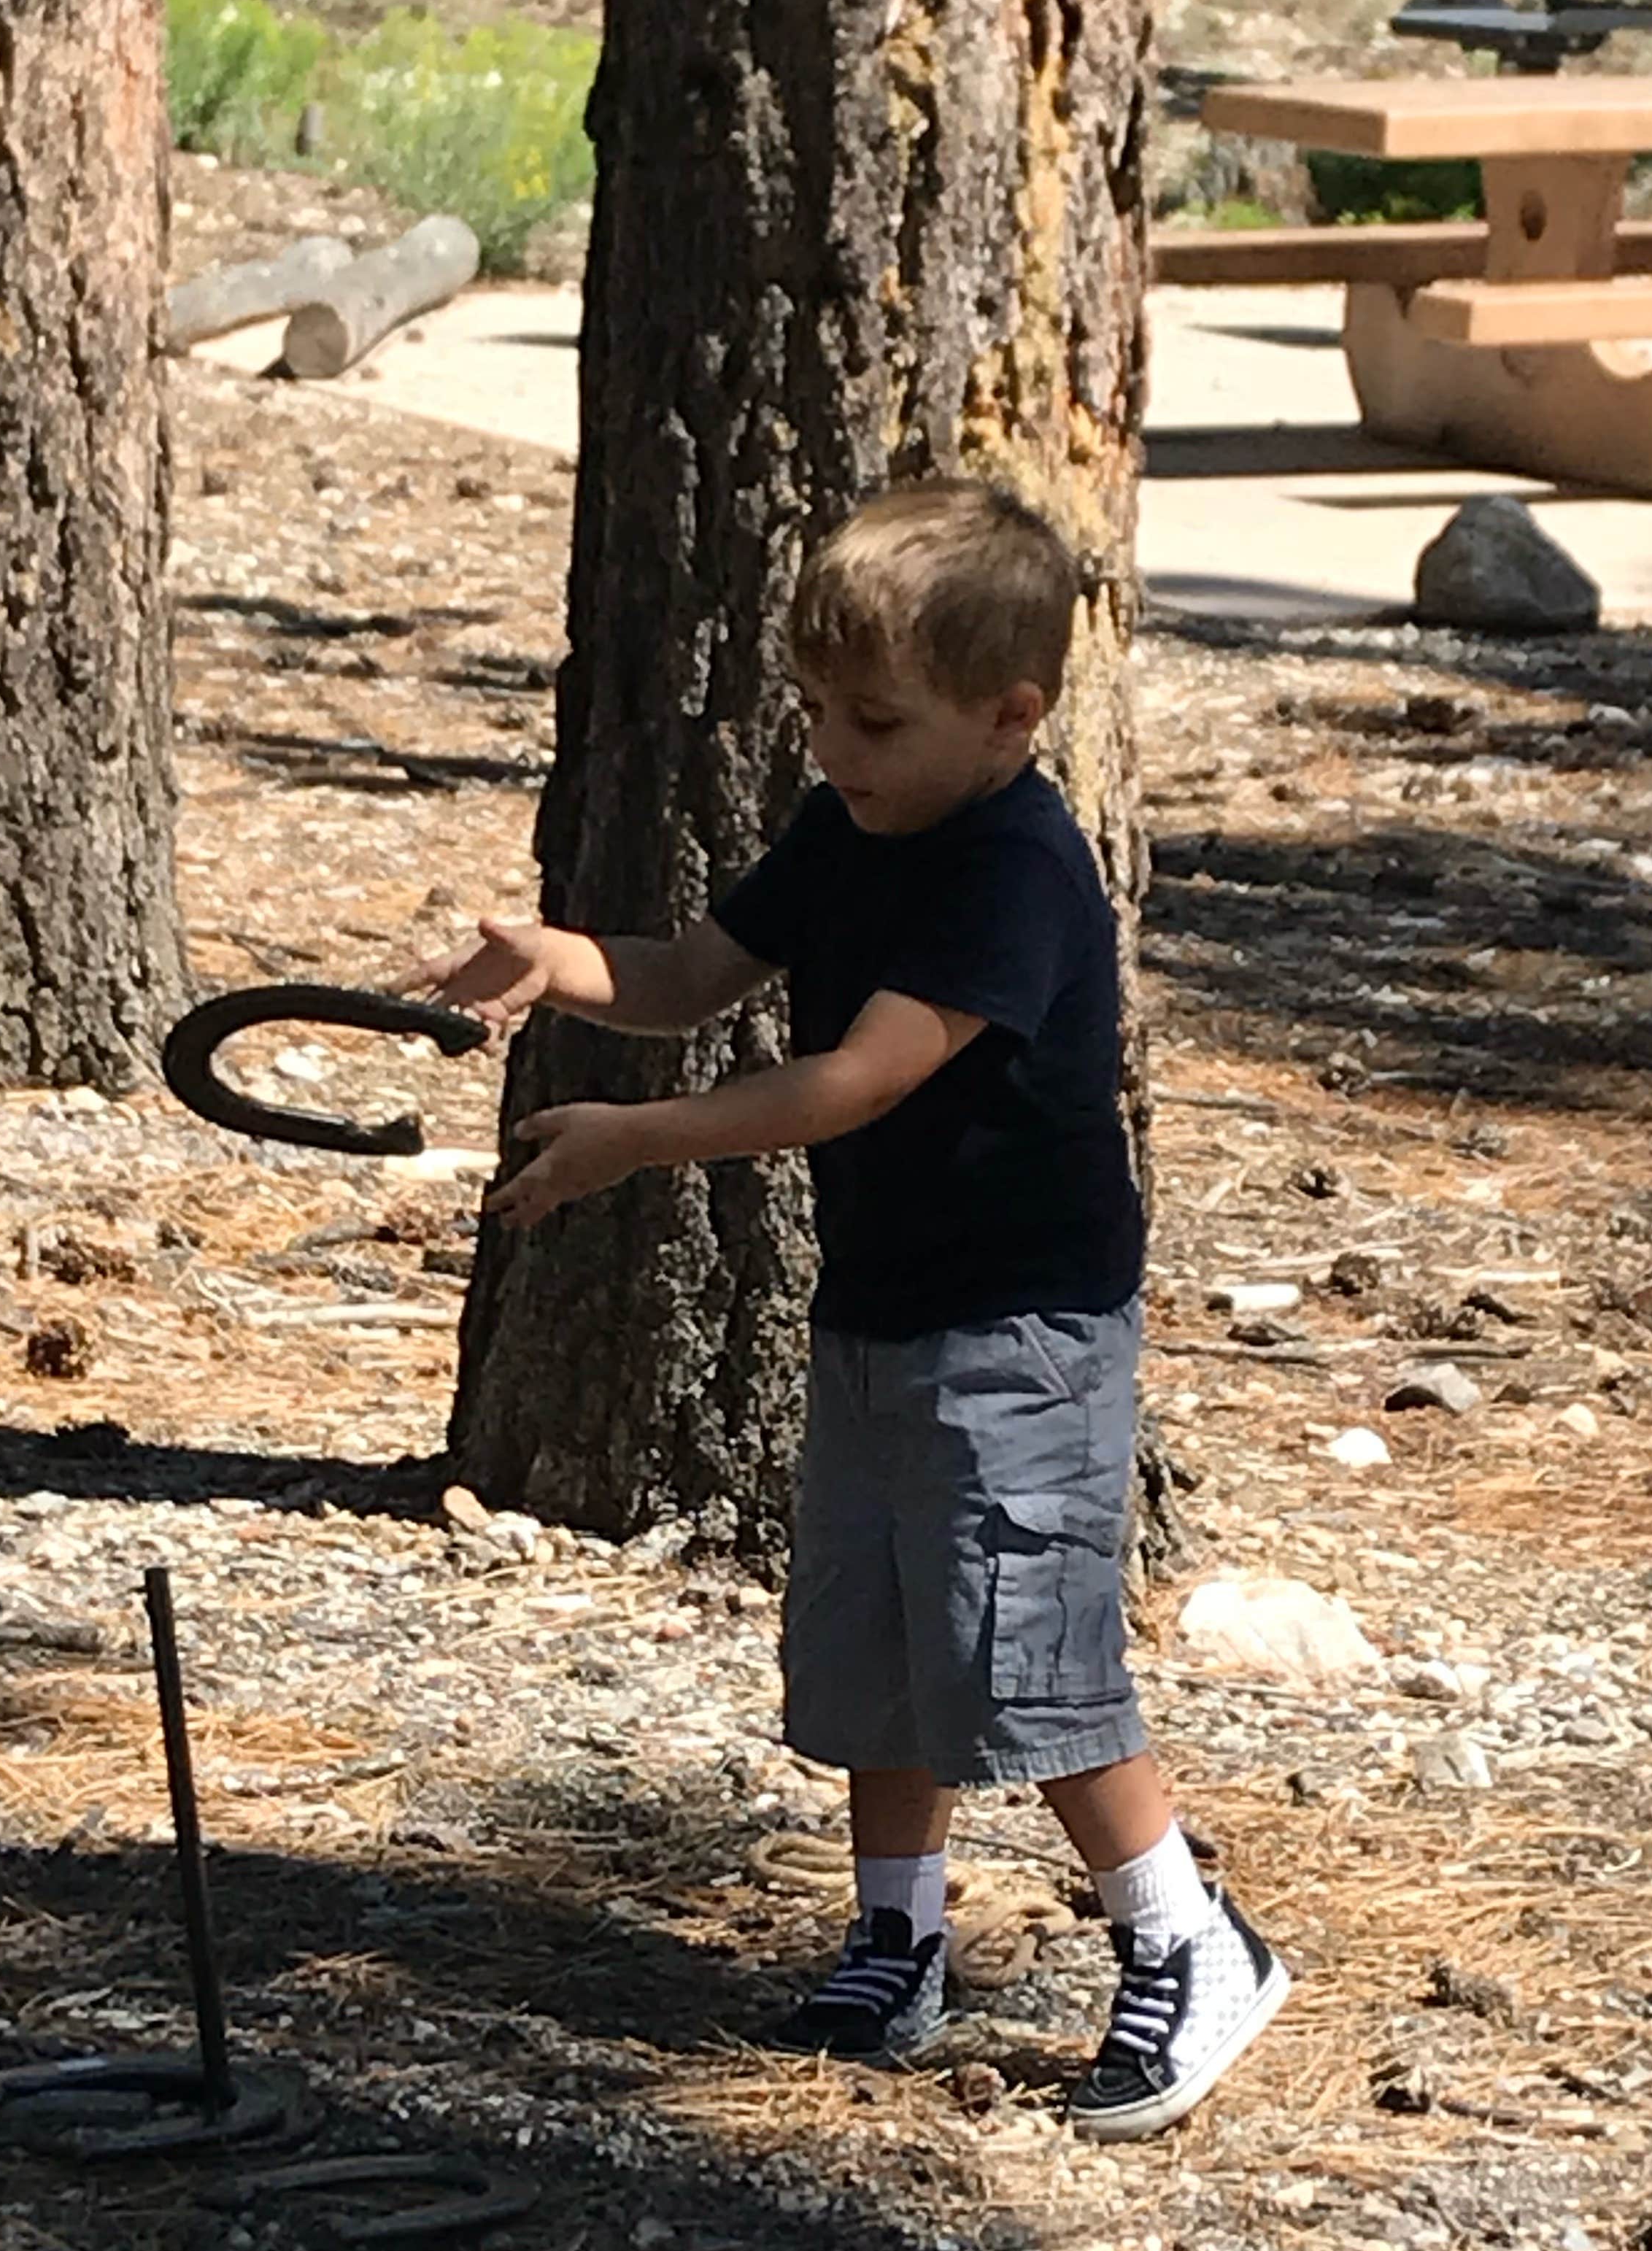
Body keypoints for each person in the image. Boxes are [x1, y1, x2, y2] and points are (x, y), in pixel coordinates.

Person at [420, 477, 1285, 2141]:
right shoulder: (853, 825)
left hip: (1022, 1326)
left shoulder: (1009, 871)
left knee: (1021, 1652)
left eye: (872, 720)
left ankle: (1191, 1936)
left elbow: (852, 1082)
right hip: (883, 1308)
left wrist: (633, 1145)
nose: (833, 748)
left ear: (1008, 716)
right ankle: (898, 1934)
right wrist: (558, 957)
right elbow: (684, 978)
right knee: (880, 1639)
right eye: (817, 711)